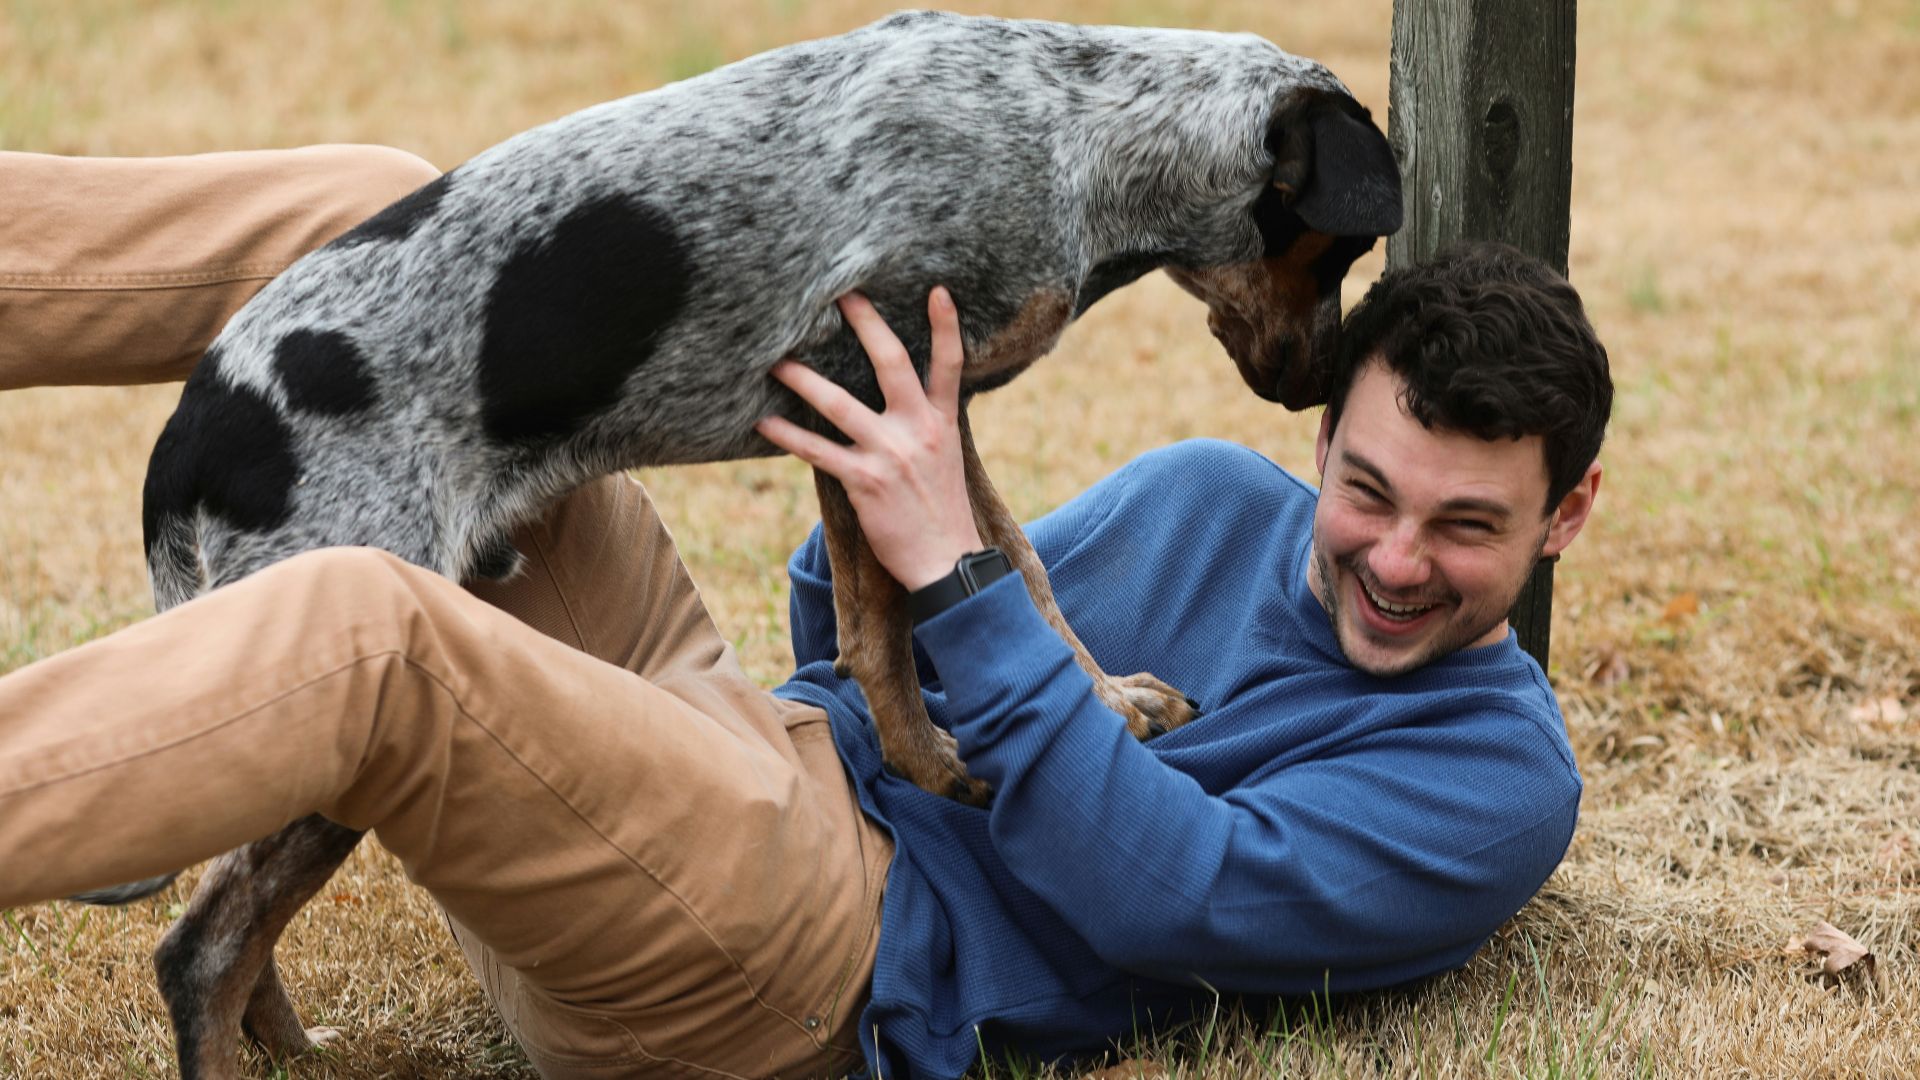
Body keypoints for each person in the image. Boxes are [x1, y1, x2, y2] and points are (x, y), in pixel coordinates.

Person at [0, 147, 1610, 1080]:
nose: (1397, 559)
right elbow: (835, 636)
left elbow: (1165, 899)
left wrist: (960, 579)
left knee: (371, 625)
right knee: (384, 218)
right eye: (1371, 493)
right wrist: (876, 482)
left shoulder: (1495, 780)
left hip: (807, 953)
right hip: (726, 759)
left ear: (1568, 517)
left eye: (1469, 530)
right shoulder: (1209, 492)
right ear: (1320, 435)